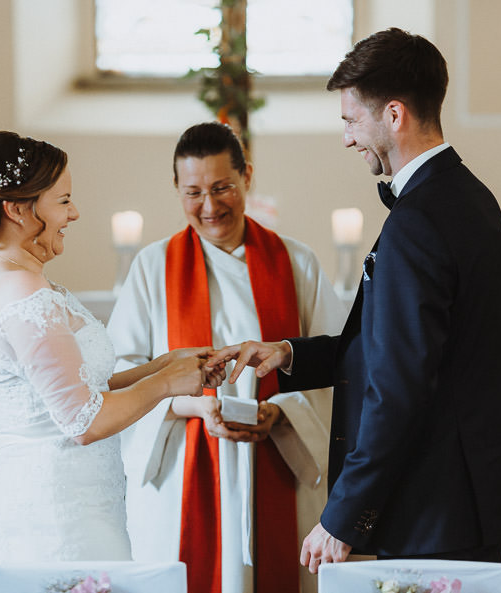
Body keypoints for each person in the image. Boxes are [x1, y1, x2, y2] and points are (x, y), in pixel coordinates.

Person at [210, 28, 501, 570]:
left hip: (436, 507)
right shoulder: (470, 196)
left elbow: (399, 385)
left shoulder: (418, 221)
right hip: (468, 498)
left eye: (352, 120)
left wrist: (343, 514)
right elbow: (399, 349)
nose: (347, 138)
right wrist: (289, 353)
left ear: (395, 115)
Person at [0, 131, 225, 593]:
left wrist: (165, 363)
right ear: (18, 208)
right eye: (63, 201)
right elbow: (83, 419)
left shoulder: (19, 278)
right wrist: (168, 383)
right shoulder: (20, 292)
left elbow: (79, 385)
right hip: (53, 514)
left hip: (73, 498)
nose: (74, 213)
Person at [106, 122, 347, 593]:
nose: (210, 207)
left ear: (247, 178)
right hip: (182, 470)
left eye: (222, 188)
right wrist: (190, 404)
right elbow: (119, 374)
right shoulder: (153, 267)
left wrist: (280, 413)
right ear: (176, 190)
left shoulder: (297, 263)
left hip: (279, 461)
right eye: (193, 192)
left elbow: (341, 365)